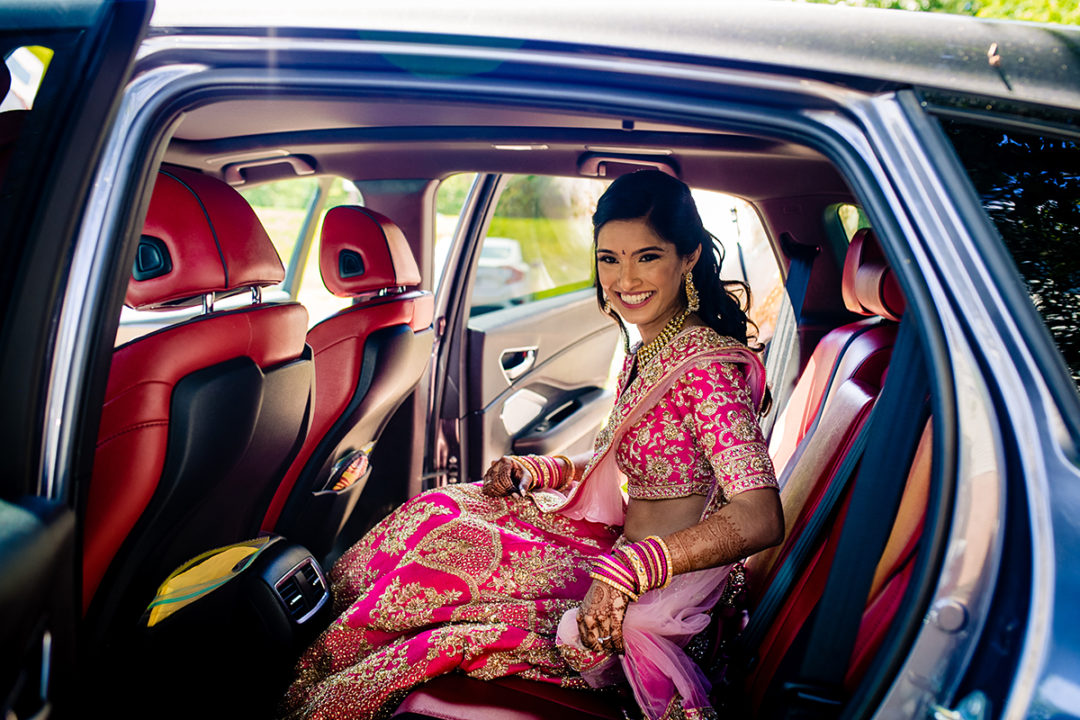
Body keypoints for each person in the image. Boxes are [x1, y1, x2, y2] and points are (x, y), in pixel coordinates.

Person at [279, 170, 784, 720]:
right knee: (437, 510)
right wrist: (545, 471)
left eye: (647, 256)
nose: (624, 279)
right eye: (609, 258)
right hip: (617, 548)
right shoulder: (652, 345)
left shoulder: (705, 369)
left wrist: (630, 570)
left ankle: (311, 686)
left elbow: (760, 516)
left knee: (444, 555)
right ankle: (305, 655)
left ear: (687, 258)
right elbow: (650, 463)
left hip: (655, 589)